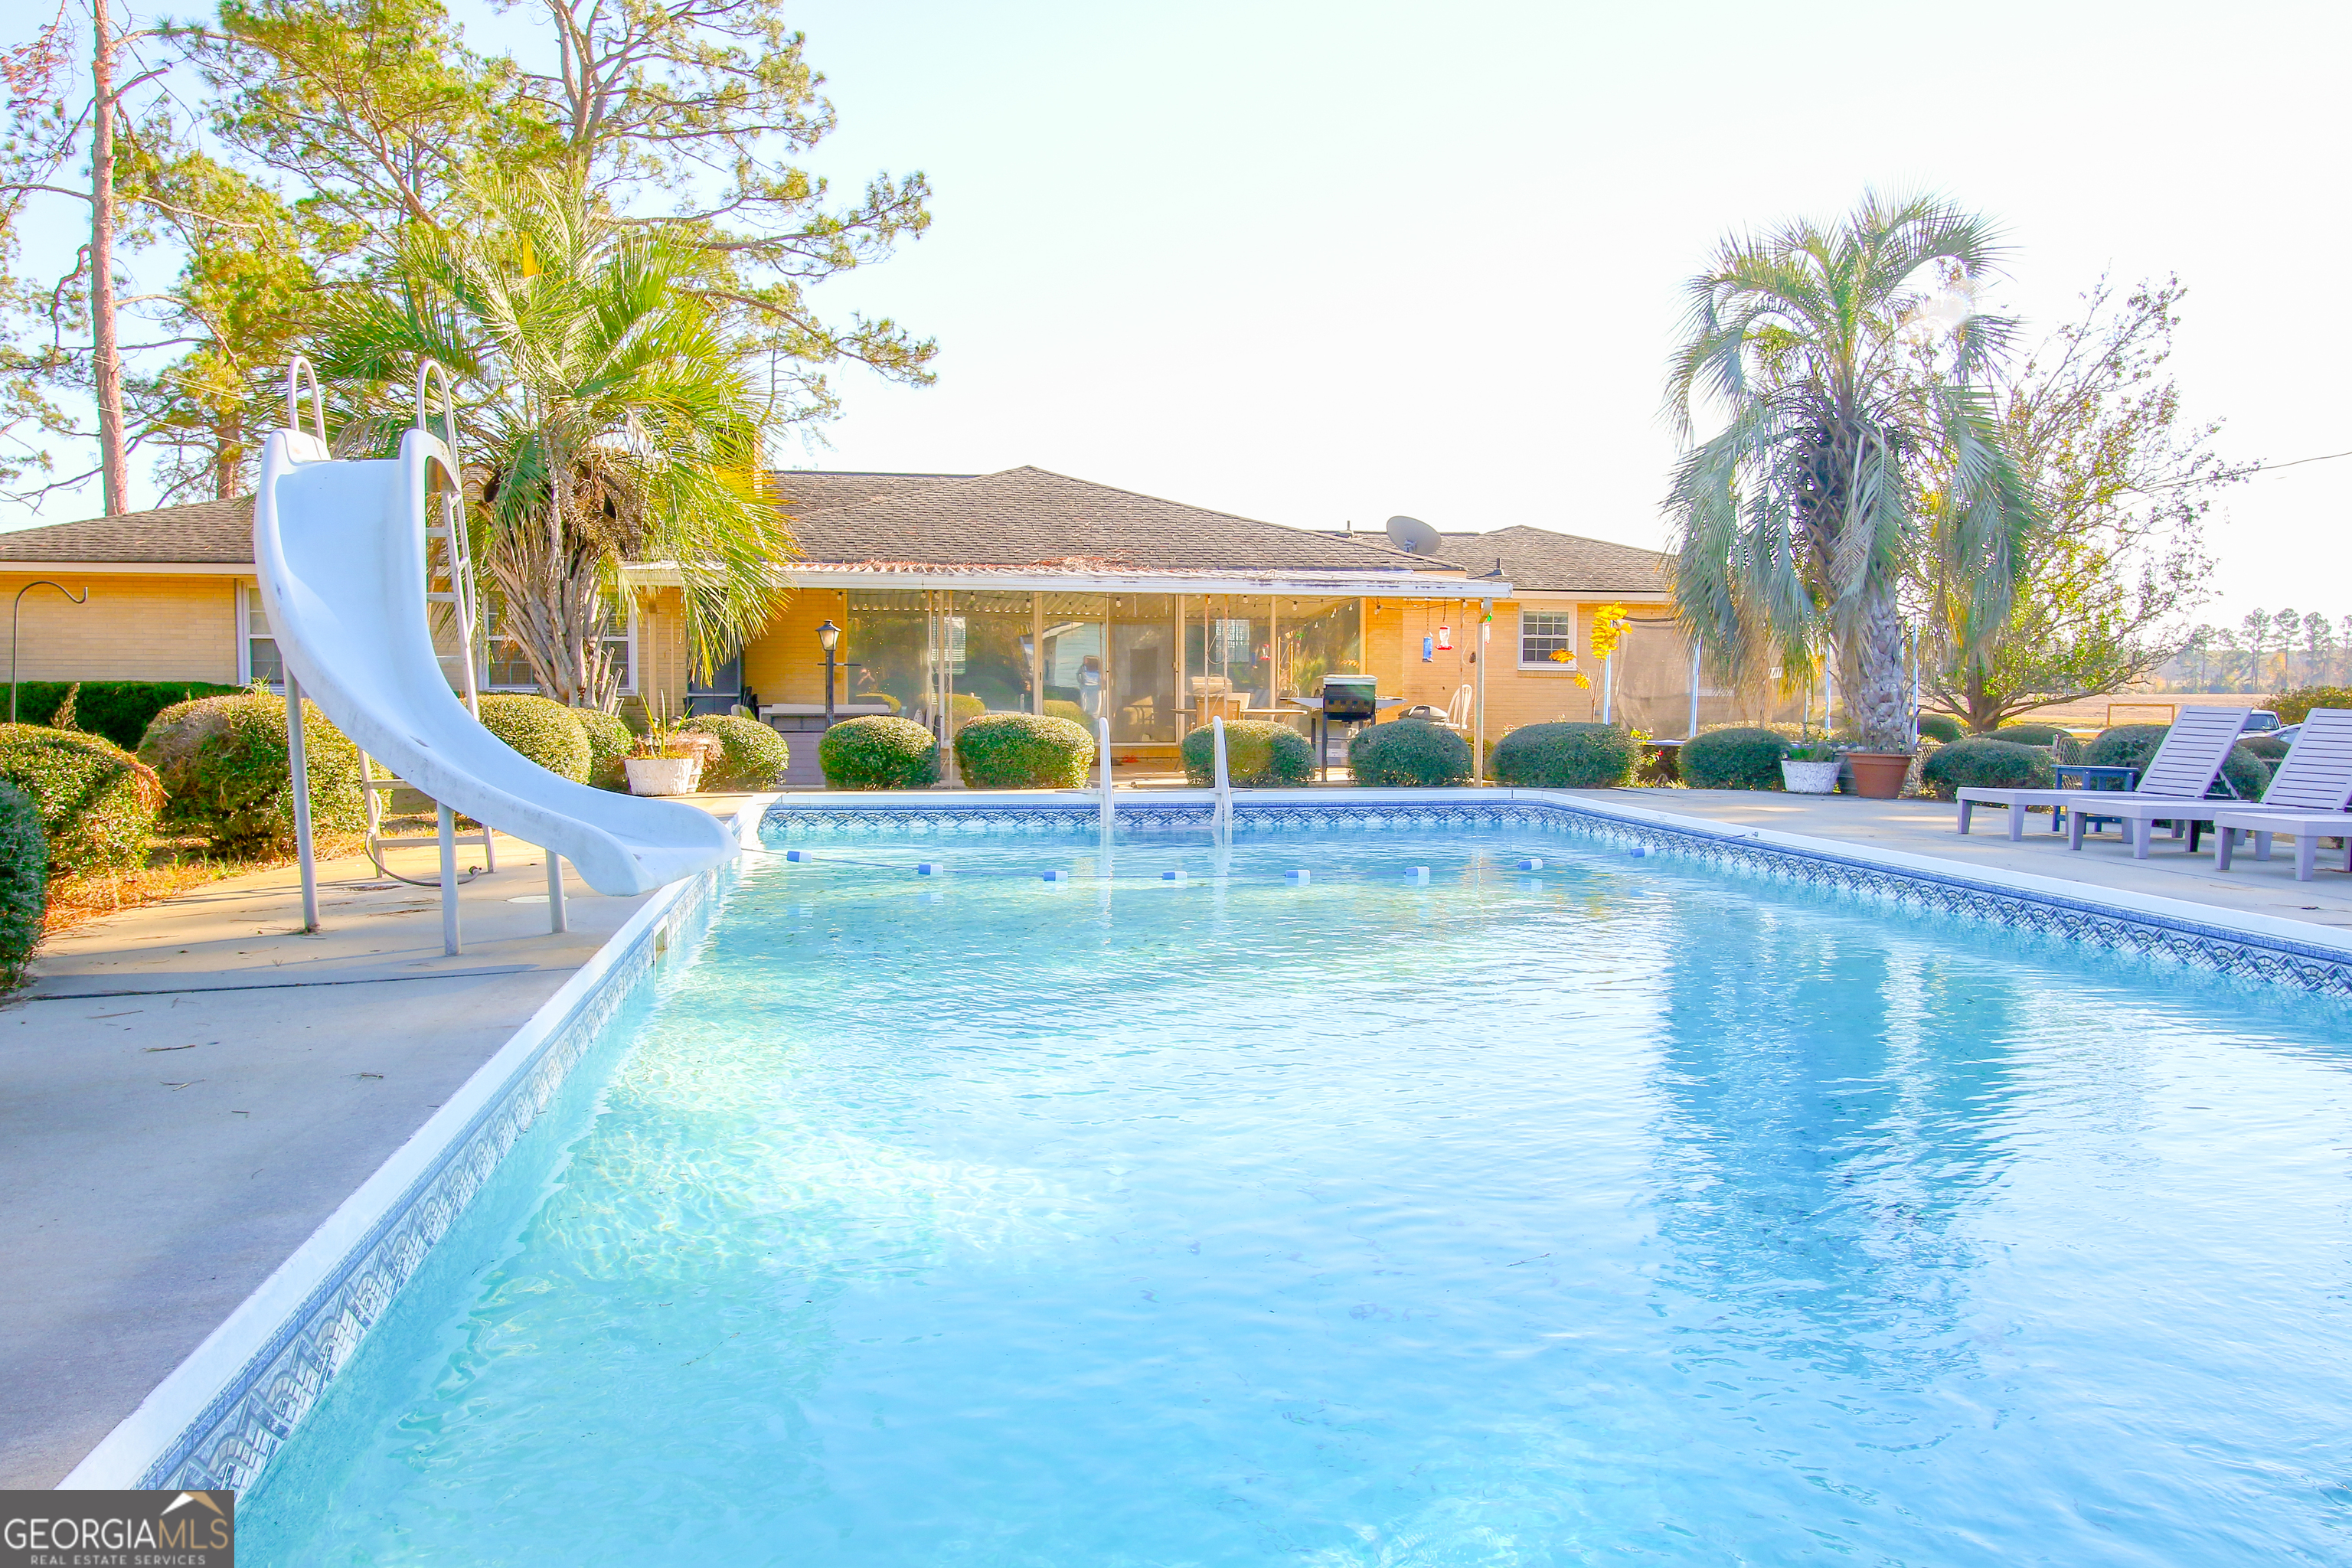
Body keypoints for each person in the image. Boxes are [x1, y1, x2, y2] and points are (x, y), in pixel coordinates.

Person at [1077, 655, 1106, 719]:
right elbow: (1078, 674)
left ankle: (1095, 717)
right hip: (1086, 688)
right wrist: (1081, 682)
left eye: (1086, 660)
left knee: (1096, 704)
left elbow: (1103, 677)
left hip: (1096, 688)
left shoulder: (1099, 668)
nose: (1085, 662)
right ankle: (1085, 716)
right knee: (1085, 704)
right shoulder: (1083, 667)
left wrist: (1102, 683)